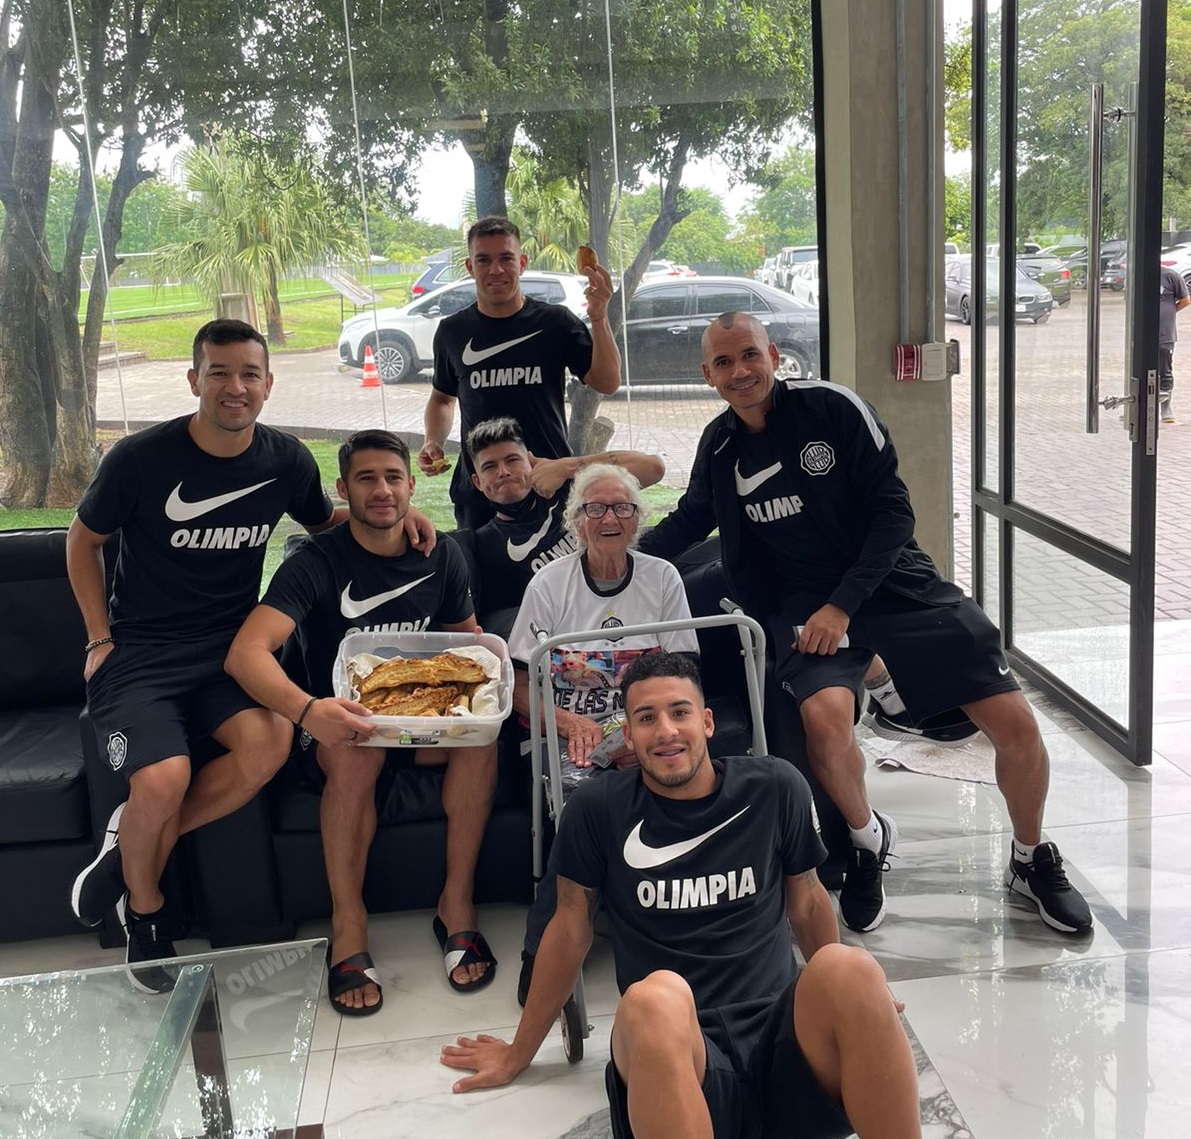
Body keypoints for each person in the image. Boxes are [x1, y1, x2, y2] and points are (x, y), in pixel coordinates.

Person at [638, 311, 1093, 937]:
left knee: (1014, 725)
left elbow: (893, 512)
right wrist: (617, 557)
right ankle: (863, 839)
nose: (739, 371)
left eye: (748, 355)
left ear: (772, 354)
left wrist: (845, 605)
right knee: (824, 718)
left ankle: (1029, 857)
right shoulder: (719, 448)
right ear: (707, 376)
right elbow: (691, 520)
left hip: (894, 582)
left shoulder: (834, 409)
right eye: (723, 363)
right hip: (801, 602)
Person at [442, 651, 923, 1139]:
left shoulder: (776, 786)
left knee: (855, 970)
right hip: (677, 1057)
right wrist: (519, 1052)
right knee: (654, 999)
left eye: (680, 712)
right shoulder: (597, 808)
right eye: (646, 718)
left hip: (779, 1046)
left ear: (707, 722)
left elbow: (808, 902)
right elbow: (568, 930)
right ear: (627, 736)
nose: (666, 731)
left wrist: (855, 1004)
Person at [68, 321, 343, 992]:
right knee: (161, 779)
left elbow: (327, 524)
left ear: (268, 384)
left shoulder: (286, 460)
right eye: (219, 372)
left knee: (271, 740)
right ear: (193, 380)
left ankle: (128, 839)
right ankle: (146, 908)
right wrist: (98, 636)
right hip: (142, 653)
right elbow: (82, 541)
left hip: (227, 653)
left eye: (249, 373)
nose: (235, 386)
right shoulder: (139, 459)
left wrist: (396, 519)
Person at [225, 430, 497, 1015]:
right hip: (340, 724)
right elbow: (245, 653)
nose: (382, 490)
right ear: (342, 490)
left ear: (411, 486)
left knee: (483, 739)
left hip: (424, 726)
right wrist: (307, 709)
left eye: (393, 478)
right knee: (355, 748)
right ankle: (349, 926)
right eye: (367, 479)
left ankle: (458, 904)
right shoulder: (314, 562)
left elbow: (468, 648)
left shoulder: (441, 553)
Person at [506, 463, 700, 1004]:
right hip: (567, 733)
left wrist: (636, 736)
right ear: (577, 521)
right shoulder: (549, 584)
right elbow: (519, 687)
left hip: (648, 728)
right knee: (581, 808)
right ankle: (541, 950)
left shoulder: (662, 578)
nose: (609, 518)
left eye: (622, 508)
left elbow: (683, 677)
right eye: (595, 508)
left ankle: (680, 936)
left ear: (637, 520)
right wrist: (567, 722)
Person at [417, 217, 621, 528]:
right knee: (483, 576)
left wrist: (599, 316)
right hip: (481, 490)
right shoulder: (452, 331)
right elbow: (443, 399)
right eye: (483, 260)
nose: (495, 269)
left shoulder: (556, 322)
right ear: (470, 267)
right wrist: (433, 440)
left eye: (506, 258)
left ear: (522, 262)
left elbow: (607, 382)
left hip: (547, 482)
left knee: (560, 577)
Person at [462, 415, 665, 635]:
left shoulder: (573, 494)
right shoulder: (482, 546)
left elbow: (653, 467)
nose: (503, 472)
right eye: (490, 467)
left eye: (512, 460)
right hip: (567, 638)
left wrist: (568, 467)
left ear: (530, 462)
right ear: (477, 482)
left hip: (631, 605)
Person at [1159, 264, 1189, 424]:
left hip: (1165, 335)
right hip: (1142, 334)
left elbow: (1185, 300)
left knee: (1165, 370)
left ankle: (1166, 407)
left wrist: (1169, 313)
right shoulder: (1138, 276)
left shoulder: (1171, 276)